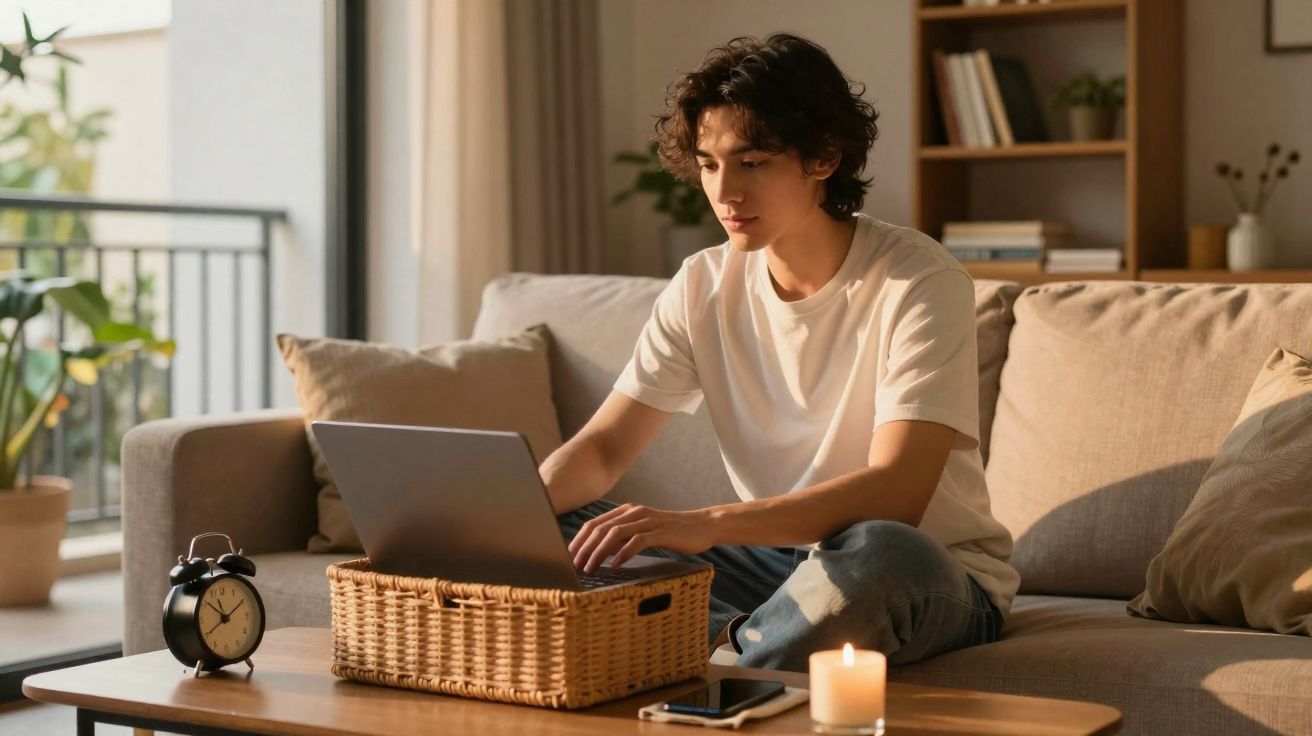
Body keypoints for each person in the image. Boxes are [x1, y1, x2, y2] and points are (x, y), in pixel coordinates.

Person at [538, 33, 1018, 673]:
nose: (724, 191)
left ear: (822, 158)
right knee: (576, 531)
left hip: (927, 573)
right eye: (708, 164)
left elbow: (898, 492)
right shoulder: (702, 284)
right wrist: (501, 518)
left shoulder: (918, 279)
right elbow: (602, 450)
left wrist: (706, 522)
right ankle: (739, 645)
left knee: (880, 552)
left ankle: (712, 661)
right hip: (780, 569)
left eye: (753, 162)